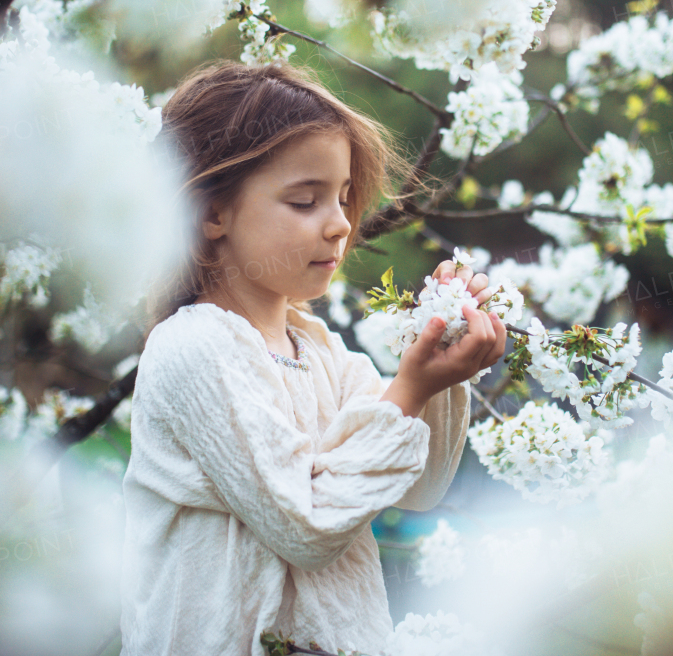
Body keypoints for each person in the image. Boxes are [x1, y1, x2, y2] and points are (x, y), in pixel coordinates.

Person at [119, 61, 506, 656]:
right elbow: (305, 523)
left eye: (346, 199)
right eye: (306, 201)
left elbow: (420, 487)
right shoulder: (195, 348)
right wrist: (406, 390)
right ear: (212, 213)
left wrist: (437, 373)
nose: (341, 225)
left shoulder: (322, 353)